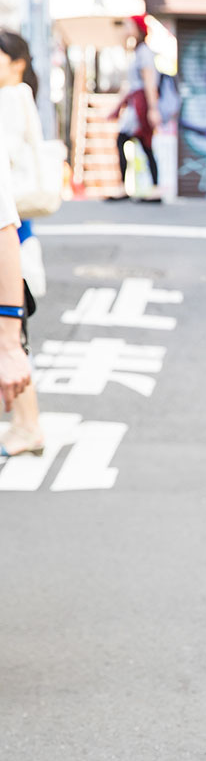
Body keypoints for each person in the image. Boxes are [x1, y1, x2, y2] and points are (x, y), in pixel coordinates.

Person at [0, 31, 45, 456]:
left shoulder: (11, 98)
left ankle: (28, 427)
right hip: (15, 229)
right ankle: (26, 426)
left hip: (14, 234)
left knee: (13, 340)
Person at [106, 15, 162, 202]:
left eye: (130, 26)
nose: (126, 30)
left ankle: (147, 187)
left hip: (141, 106)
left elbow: (149, 82)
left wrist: (153, 109)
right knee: (142, 145)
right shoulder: (136, 51)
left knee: (134, 142)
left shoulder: (144, 52)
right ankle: (150, 187)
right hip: (136, 104)